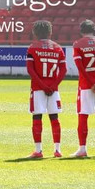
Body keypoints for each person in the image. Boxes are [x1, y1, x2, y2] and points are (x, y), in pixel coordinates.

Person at [26, 20, 66, 159]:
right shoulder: (58, 48)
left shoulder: (33, 48)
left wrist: (43, 86)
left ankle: (38, 150)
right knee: (54, 117)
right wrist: (53, 86)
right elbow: (63, 69)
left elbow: (30, 70)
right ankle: (57, 150)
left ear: (35, 33)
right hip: (53, 90)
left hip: (38, 88)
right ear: (50, 32)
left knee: (37, 117)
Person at [71, 20, 95, 158]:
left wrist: (92, 83)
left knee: (83, 117)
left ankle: (82, 149)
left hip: (86, 86)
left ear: (82, 31)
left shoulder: (78, 44)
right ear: (94, 30)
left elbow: (80, 67)